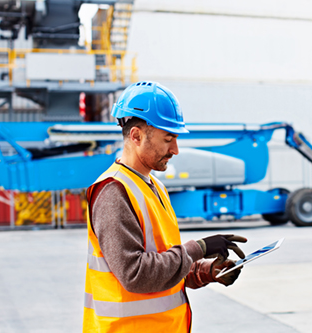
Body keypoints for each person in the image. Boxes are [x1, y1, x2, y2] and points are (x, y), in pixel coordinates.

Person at [83, 81, 247, 332]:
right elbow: (135, 273)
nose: (176, 150)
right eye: (168, 139)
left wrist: (206, 271)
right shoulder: (113, 192)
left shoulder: (154, 187)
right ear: (136, 136)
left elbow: (163, 261)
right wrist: (198, 248)